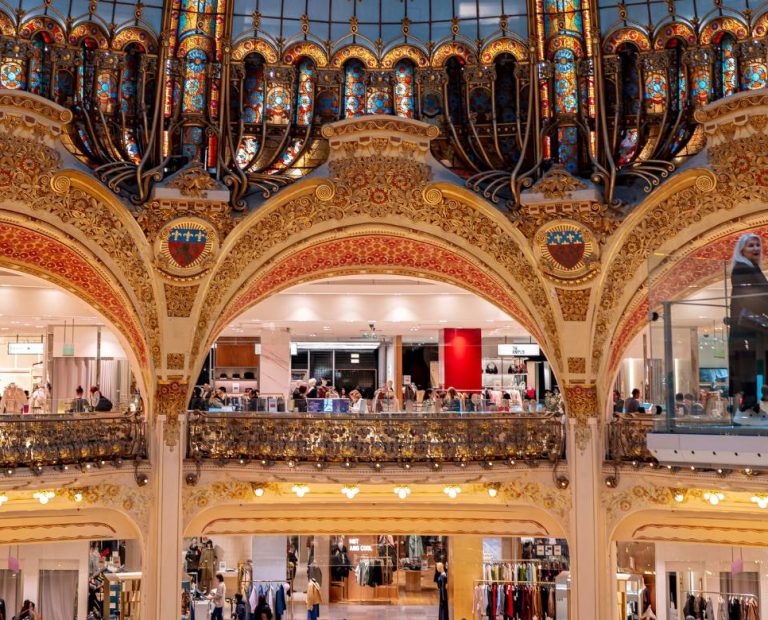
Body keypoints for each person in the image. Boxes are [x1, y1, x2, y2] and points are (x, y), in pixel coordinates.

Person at [728, 233, 768, 412]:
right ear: (742, 249)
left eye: (757, 245)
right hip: (747, 327)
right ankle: (751, 403)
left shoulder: (751, 267)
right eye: (751, 245)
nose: (756, 249)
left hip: (752, 327)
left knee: (753, 365)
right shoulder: (742, 268)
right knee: (748, 366)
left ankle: (755, 402)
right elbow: (751, 298)